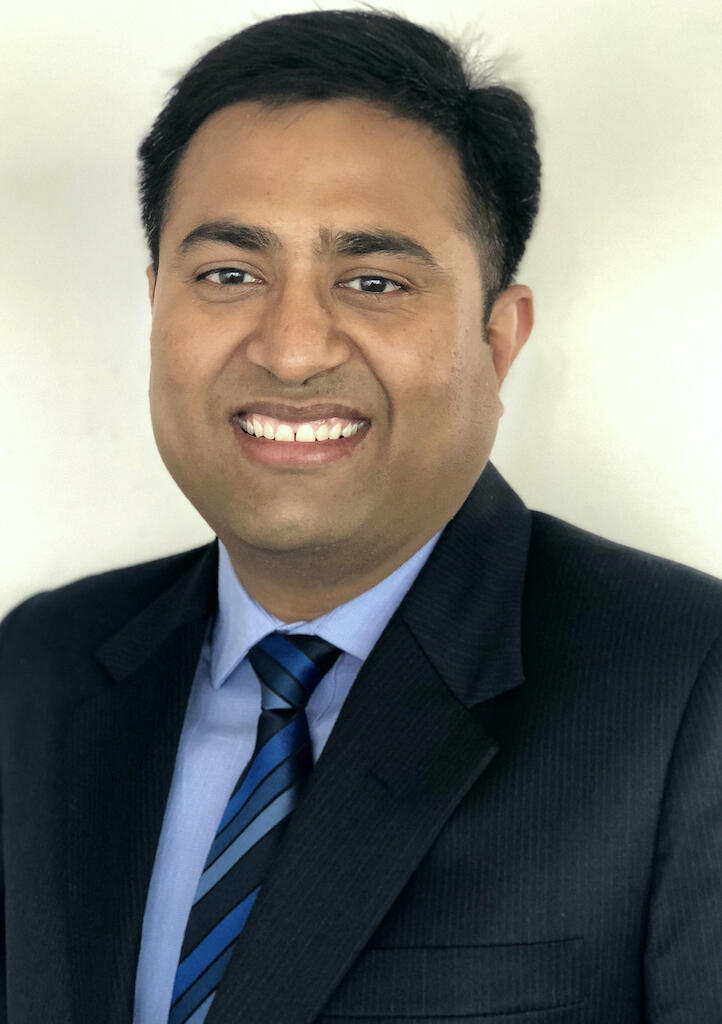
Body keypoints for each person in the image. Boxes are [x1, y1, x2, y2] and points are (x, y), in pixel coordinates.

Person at [0, 8, 720, 1023]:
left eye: (373, 280)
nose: (291, 350)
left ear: (498, 339)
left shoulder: (686, 688)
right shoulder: (40, 669)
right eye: (228, 275)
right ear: (156, 305)